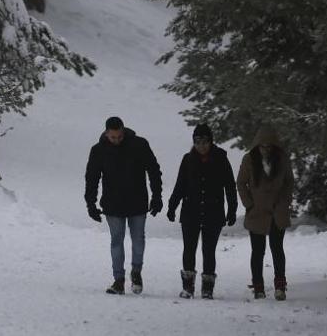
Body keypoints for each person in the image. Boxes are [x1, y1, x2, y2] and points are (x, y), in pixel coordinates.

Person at [84, 116, 163, 295]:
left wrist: (157, 196)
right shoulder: (98, 151)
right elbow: (92, 178)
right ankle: (118, 280)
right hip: (113, 204)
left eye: (119, 137)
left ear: (123, 131)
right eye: (113, 137)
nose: (116, 140)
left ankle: (136, 273)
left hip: (137, 201)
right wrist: (91, 203)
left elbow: (153, 170)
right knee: (116, 241)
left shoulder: (139, 145)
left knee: (138, 239)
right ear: (106, 133)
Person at [166, 124, 238, 299]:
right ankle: (188, 287)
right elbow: (180, 185)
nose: (201, 146)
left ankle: (207, 288)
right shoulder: (187, 159)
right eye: (197, 142)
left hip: (213, 211)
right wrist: (172, 206)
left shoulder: (221, 159)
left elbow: (230, 186)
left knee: (209, 250)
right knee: (189, 249)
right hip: (191, 210)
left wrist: (232, 209)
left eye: (205, 141)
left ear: (211, 141)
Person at [237, 125, 294, 300]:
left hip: (277, 212)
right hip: (257, 212)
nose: (266, 150)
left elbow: (289, 183)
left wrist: (284, 203)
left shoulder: (283, 160)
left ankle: (280, 286)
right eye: (263, 146)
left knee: (277, 249)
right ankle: (258, 287)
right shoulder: (249, 160)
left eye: (269, 146)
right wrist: (249, 204)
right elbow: (241, 183)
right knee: (257, 251)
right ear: (257, 146)